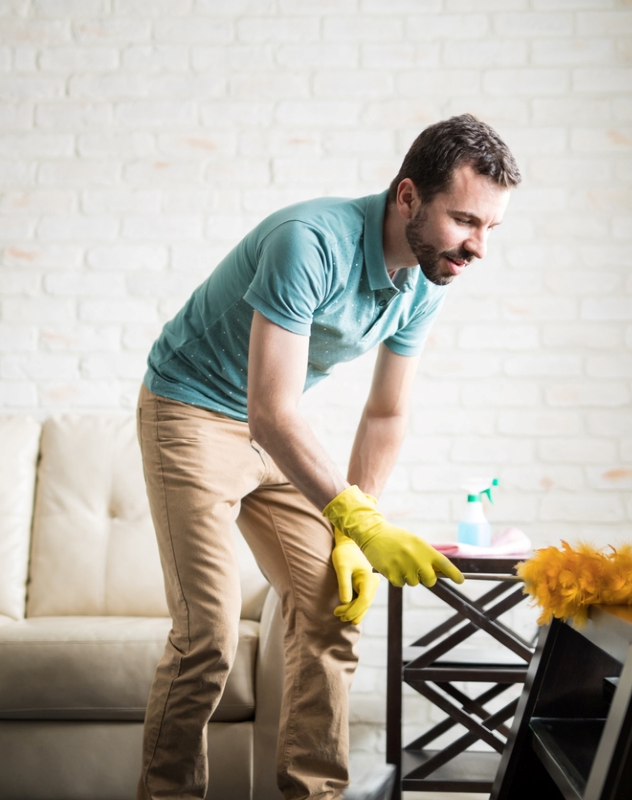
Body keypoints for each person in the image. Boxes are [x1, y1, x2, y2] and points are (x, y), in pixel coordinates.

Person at [136, 114, 520, 800]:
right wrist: (364, 526)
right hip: (191, 411)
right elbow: (272, 411)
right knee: (208, 638)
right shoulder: (307, 242)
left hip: (269, 431)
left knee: (331, 607)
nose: (478, 246)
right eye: (465, 219)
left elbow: (385, 412)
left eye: (490, 227)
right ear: (408, 197)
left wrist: (352, 521)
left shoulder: (426, 283)